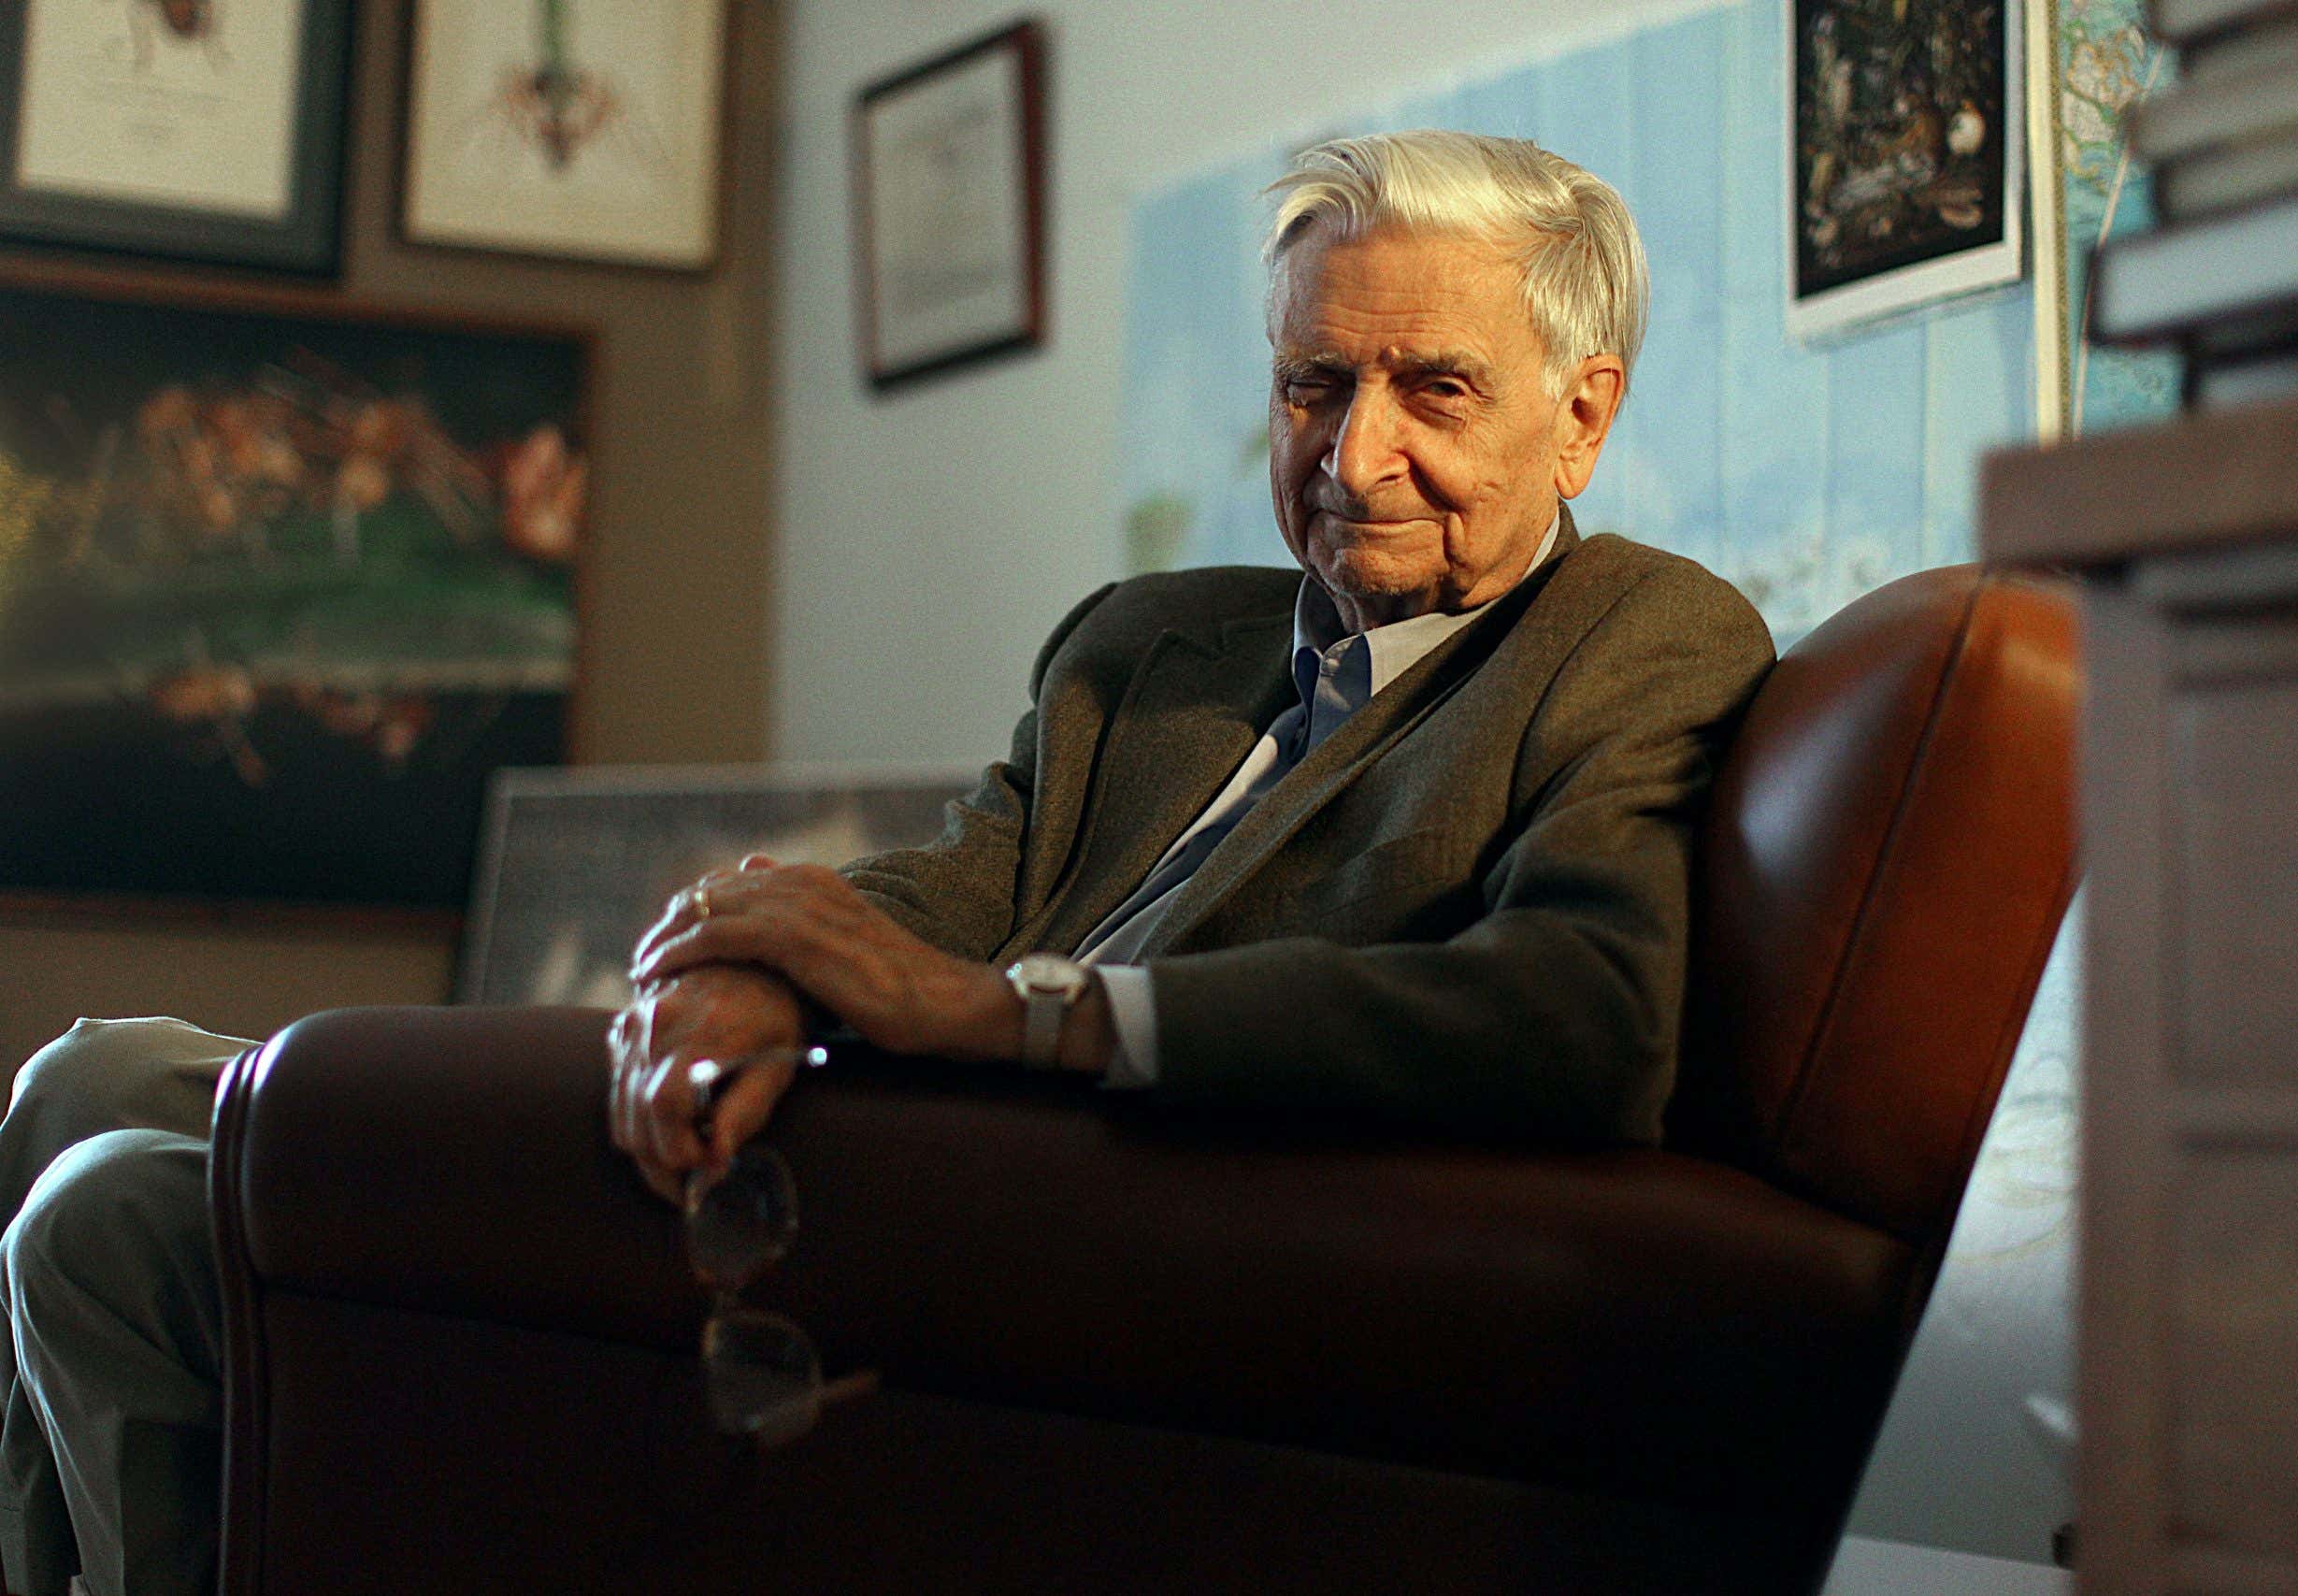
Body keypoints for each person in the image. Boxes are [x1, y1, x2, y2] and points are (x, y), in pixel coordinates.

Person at [0, 130, 1772, 1596]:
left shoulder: (1633, 638)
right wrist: (739, 960)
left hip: (994, 1231)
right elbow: (949, 885)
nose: (1354, 450)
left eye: (1433, 389)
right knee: (83, 1080)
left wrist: (1037, 1021)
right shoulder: (1153, 643)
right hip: (835, 1113)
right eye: (1316, 382)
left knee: (111, 1224)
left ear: (1583, 412)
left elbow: (1584, 1013)